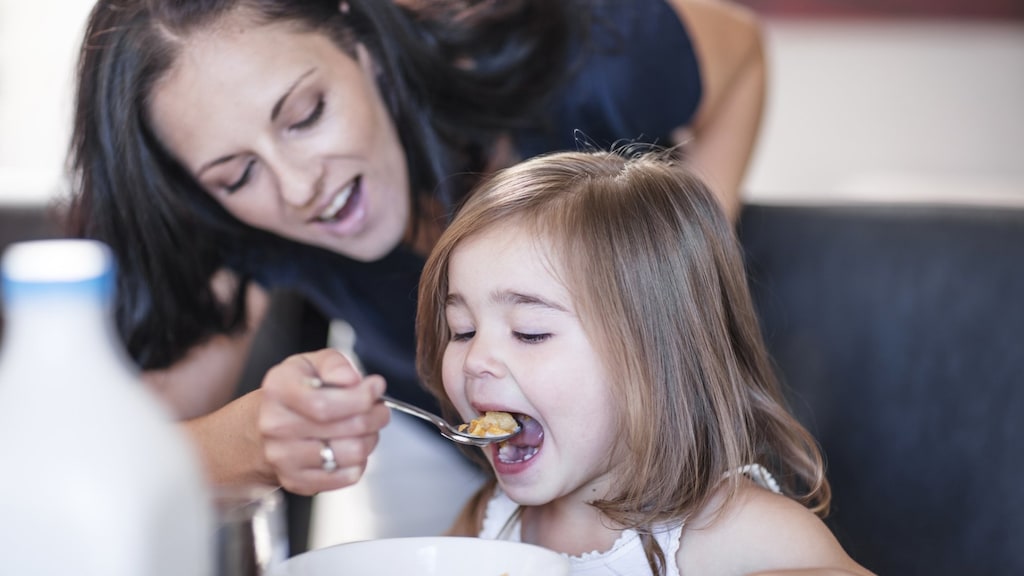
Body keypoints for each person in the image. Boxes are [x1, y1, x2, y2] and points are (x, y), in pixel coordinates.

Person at [64, 0, 765, 497]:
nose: (301, 188)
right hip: (448, 454)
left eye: (306, 116)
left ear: (360, 46)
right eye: (237, 174)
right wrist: (244, 445)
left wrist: (689, 270)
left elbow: (741, 51)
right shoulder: (228, 226)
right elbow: (126, 450)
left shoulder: (590, 63)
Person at [415, 149, 872, 575]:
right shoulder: (491, 519)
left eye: (529, 332)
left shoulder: (736, 531)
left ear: (656, 355)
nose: (475, 359)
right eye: (463, 330)